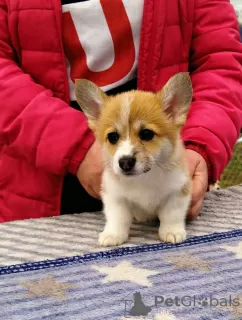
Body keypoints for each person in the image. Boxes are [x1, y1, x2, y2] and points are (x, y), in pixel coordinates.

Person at [0, 0, 242, 223]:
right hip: (37, 199)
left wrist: (200, 144)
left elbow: (221, 61)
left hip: (163, 179)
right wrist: (75, 146)